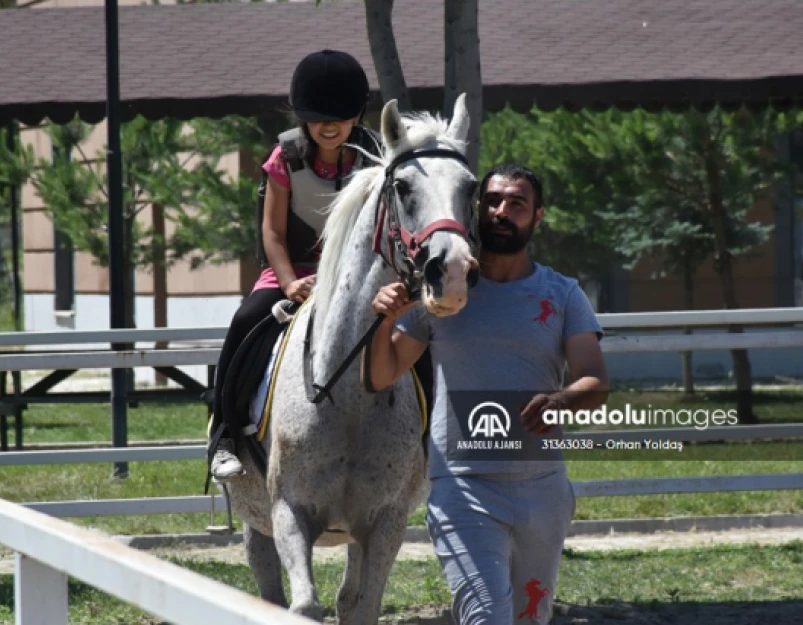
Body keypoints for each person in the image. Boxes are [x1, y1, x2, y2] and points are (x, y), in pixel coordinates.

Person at [367, 164, 610, 624]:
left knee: (528, 619)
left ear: (538, 216)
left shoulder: (562, 294)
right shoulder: (440, 293)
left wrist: (561, 400)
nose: (502, 211)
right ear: (476, 210)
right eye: (492, 201)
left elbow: (595, 379)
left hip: (543, 490)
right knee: (486, 618)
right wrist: (382, 322)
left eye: (517, 203)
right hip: (463, 488)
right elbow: (381, 375)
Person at [208, 49, 383, 480]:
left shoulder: (377, 155)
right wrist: (288, 284)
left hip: (357, 275)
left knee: (415, 330)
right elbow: (273, 233)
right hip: (293, 271)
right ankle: (225, 435)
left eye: (339, 117)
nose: (329, 125)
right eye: (317, 116)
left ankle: (427, 437)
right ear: (302, 116)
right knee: (245, 319)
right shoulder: (284, 158)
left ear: (357, 113)